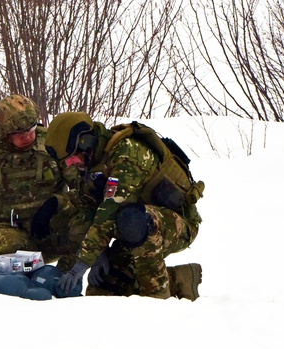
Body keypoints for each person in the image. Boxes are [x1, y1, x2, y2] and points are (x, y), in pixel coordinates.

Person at [43, 112, 204, 300]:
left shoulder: (127, 153)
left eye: (71, 156)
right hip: (130, 230)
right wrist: (98, 255)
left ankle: (157, 299)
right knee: (104, 290)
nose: (69, 163)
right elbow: (87, 208)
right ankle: (179, 279)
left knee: (134, 219)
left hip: (173, 224)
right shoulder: (90, 161)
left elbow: (109, 210)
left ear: (85, 141)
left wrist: (83, 262)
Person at [0, 95, 81, 270]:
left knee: (84, 225)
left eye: (31, 129)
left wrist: (57, 203)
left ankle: (66, 280)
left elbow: (84, 188)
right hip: (6, 234)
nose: (28, 136)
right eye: (19, 133)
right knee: (2, 247)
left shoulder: (52, 144)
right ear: (3, 133)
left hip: (50, 229)